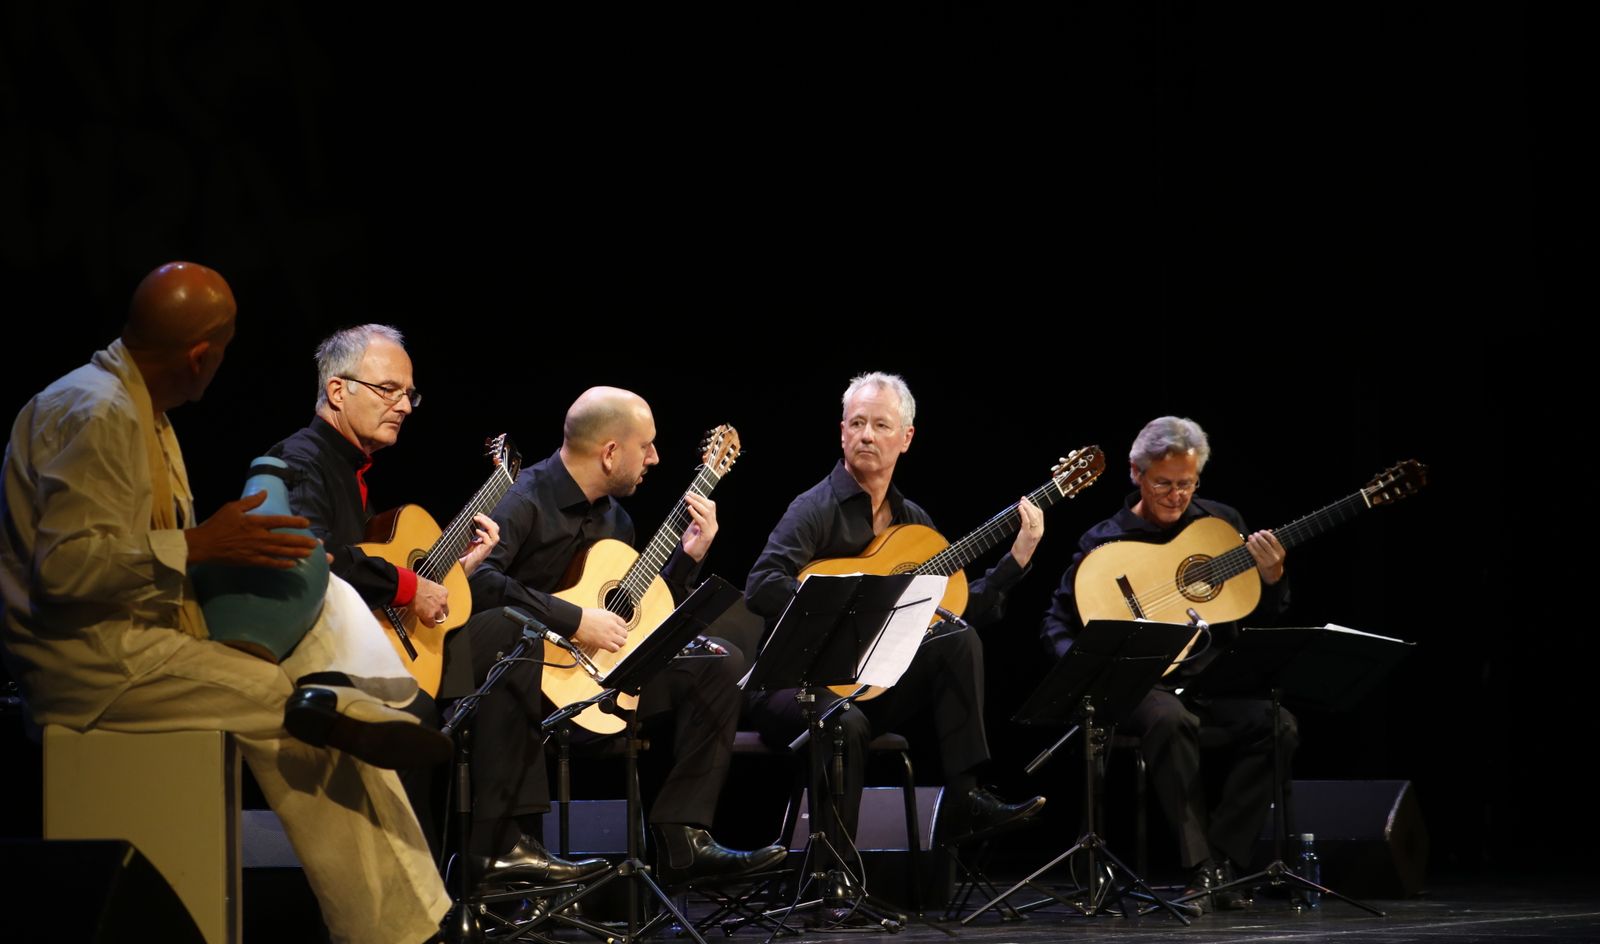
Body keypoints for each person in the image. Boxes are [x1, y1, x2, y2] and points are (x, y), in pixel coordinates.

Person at [0, 262, 529, 944]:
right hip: (93, 666)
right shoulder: (94, 414)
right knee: (301, 720)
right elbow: (67, 570)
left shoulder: (136, 410)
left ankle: (411, 918)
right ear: (201, 353)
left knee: (322, 701)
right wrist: (200, 546)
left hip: (142, 645)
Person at [265, 325, 603, 886]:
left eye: (410, 395)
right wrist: (405, 588)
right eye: (389, 390)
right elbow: (310, 555)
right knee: (456, 679)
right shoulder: (302, 459)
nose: (403, 406)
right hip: (320, 665)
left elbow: (369, 564)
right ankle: (448, 872)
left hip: (369, 644)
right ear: (336, 389)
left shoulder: (350, 472)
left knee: (508, 631)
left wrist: (455, 576)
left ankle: (499, 845)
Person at [468, 386, 785, 885]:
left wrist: (687, 559)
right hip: (527, 689)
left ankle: (684, 837)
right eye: (647, 446)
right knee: (517, 643)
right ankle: (509, 845)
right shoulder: (522, 500)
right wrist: (571, 618)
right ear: (611, 452)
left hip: (603, 688)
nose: (655, 458)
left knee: (719, 664)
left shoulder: (618, 519)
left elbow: (639, 615)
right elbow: (477, 581)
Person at [744, 371, 1046, 841]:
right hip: (790, 684)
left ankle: (966, 798)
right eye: (857, 423)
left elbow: (959, 612)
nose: (866, 434)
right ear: (842, 431)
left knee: (956, 639)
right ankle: (835, 875)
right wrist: (849, 608)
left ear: (905, 438)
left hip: (867, 684)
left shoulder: (914, 526)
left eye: (881, 426)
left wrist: (1017, 558)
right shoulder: (814, 508)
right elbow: (761, 585)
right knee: (844, 722)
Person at [1040, 415, 1296, 911]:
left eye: (1186, 484)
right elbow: (1057, 619)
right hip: (1143, 687)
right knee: (1169, 720)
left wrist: (1274, 577)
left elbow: (1254, 605)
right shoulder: (1104, 540)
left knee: (1278, 725)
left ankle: (1224, 860)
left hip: (1213, 681)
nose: (1176, 495)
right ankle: (1199, 868)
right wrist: (1084, 670)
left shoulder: (1220, 528)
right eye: (1163, 484)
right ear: (1136, 474)